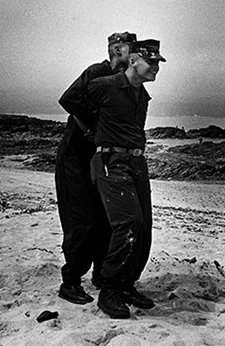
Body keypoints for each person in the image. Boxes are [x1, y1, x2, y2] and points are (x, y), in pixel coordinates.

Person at [79, 39, 166, 319]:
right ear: (133, 61)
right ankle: (109, 288)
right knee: (129, 223)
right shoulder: (104, 85)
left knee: (144, 227)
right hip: (110, 162)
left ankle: (127, 284)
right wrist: (90, 136)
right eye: (150, 62)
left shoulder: (142, 96)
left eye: (157, 63)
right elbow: (73, 103)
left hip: (136, 163)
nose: (155, 67)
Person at [56, 32, 138, 305]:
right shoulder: (96, 72)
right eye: (130, 49)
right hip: (75, 156)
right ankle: (70, 281)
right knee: (81, 220)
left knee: (105, 219)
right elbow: (68, 99)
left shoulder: (124, 80)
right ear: (117, 49)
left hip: (100, 158)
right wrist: (88, 127)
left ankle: (101, 275)